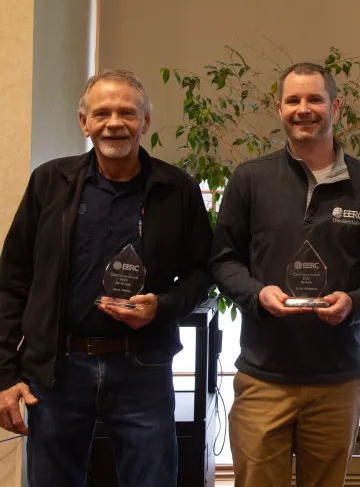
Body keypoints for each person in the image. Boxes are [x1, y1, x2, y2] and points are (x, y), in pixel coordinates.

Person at [0, 69, 213, 486]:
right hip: (58, 369)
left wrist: (162, 307)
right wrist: (6, 374)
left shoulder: (178, 188)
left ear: (145, 122)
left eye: (127, 113)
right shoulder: (50, 182)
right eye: (102, 113)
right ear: (84, 122)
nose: (114, 123)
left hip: (143, 366)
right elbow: (12, 280)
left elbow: (203, 272)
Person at [210, 62, 360, 487]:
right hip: (262, 378)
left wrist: (355, 303)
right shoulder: (249, 179)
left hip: (338, 380)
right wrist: (257, 294)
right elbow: (223, 260)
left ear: (335, 105)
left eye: (315, 98)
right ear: (279, 108)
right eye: (293, 100)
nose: (304, 108)